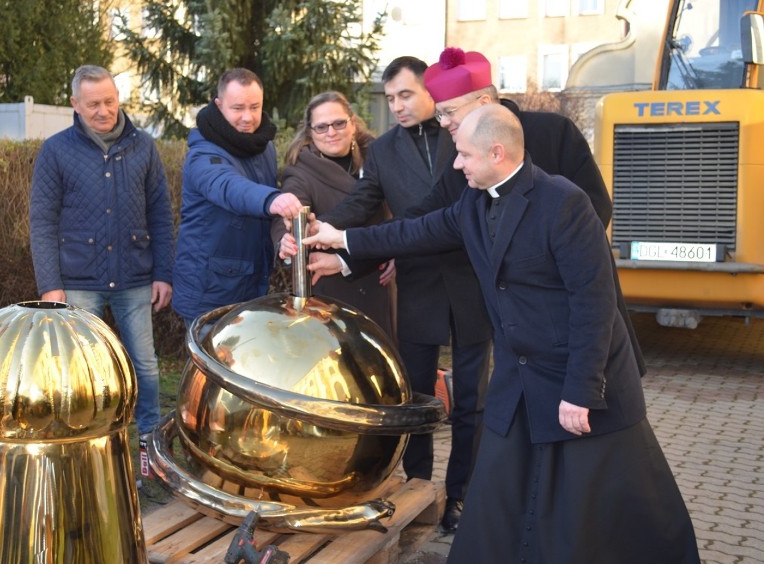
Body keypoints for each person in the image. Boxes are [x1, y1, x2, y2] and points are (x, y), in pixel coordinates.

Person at [296, 103, 700, 563]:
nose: (455, 163)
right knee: (501, 496)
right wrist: (342, 239)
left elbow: (596, 304)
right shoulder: (473, 201)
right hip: (519, 379)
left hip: (579, 382)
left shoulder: (564, 203)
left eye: (464, 154)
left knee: (598, 506)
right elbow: (416, 232)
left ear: (496, 152)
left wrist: (582, 390)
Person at [312, 57, 492, 533]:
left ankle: (461, 497)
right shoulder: (385, 150)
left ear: (431, 92)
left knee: (472, 400)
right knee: (413, 397)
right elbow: (364, 201)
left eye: (406, 95)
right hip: (417, 285)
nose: (396, 107)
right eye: (390, 98)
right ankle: (418, 490)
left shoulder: (465, 136)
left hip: (475, 284)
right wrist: (324, 228)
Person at [414, 47, 645, 376]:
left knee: (594, 399)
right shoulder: (461, 156)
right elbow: (422, 219)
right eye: (440, 115)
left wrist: (541, 260)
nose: (444, 122)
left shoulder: (555, 131)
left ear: (482, 104)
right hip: (522, 319)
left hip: (574, 298)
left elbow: (597, 205)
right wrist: (344, 244)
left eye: (449, 111)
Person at [30, 65, 173, 440]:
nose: (103, 111)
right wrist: (50, 285)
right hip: (78, 282)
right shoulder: (55, 150)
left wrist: (164, 273)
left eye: (109, 101)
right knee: (81, 371)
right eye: (93, 104)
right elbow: (42, 221)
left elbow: (160, 214)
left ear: (118, 98)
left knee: (145, 367)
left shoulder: (144, 146)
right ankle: (85, 444)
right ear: (75, 104)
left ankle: (149, 446)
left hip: (136, 279)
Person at [172, 68, 303, 328]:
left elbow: (268, 217)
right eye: (238, 108)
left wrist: (281, 239)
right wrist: (271, 200)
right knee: (210, 369)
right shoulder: (202, 154)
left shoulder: (263, 146)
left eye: (255, 107)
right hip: (209, 292)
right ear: (219, 105)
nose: (248, 117)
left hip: (251, 284)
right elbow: (228, 186)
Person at [269, 91, 394, 337]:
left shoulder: (377, 157)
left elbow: (402, 209)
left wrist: (397, 251)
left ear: (352, 122)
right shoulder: (301, 171)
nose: (331, 132)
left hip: (379, 276)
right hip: (334, 285)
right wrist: (286, 239)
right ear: (309, 132)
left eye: (339, 123)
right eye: (321, 127)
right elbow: (291, 212)